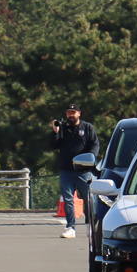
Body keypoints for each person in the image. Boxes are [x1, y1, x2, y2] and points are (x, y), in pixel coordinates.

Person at [50, 102, 97, 238]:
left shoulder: (87, 128)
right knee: (68, 200)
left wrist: (90, 159)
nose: (70, 115)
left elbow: (94, 144)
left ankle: (90, 226)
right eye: (68, 113)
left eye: (73, 113)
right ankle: (71, 227)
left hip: (84, 170)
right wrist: (55, 133)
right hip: (67, 171)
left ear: (79, 114)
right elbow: (53, 145)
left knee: (89, 199)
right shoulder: (63, 128)